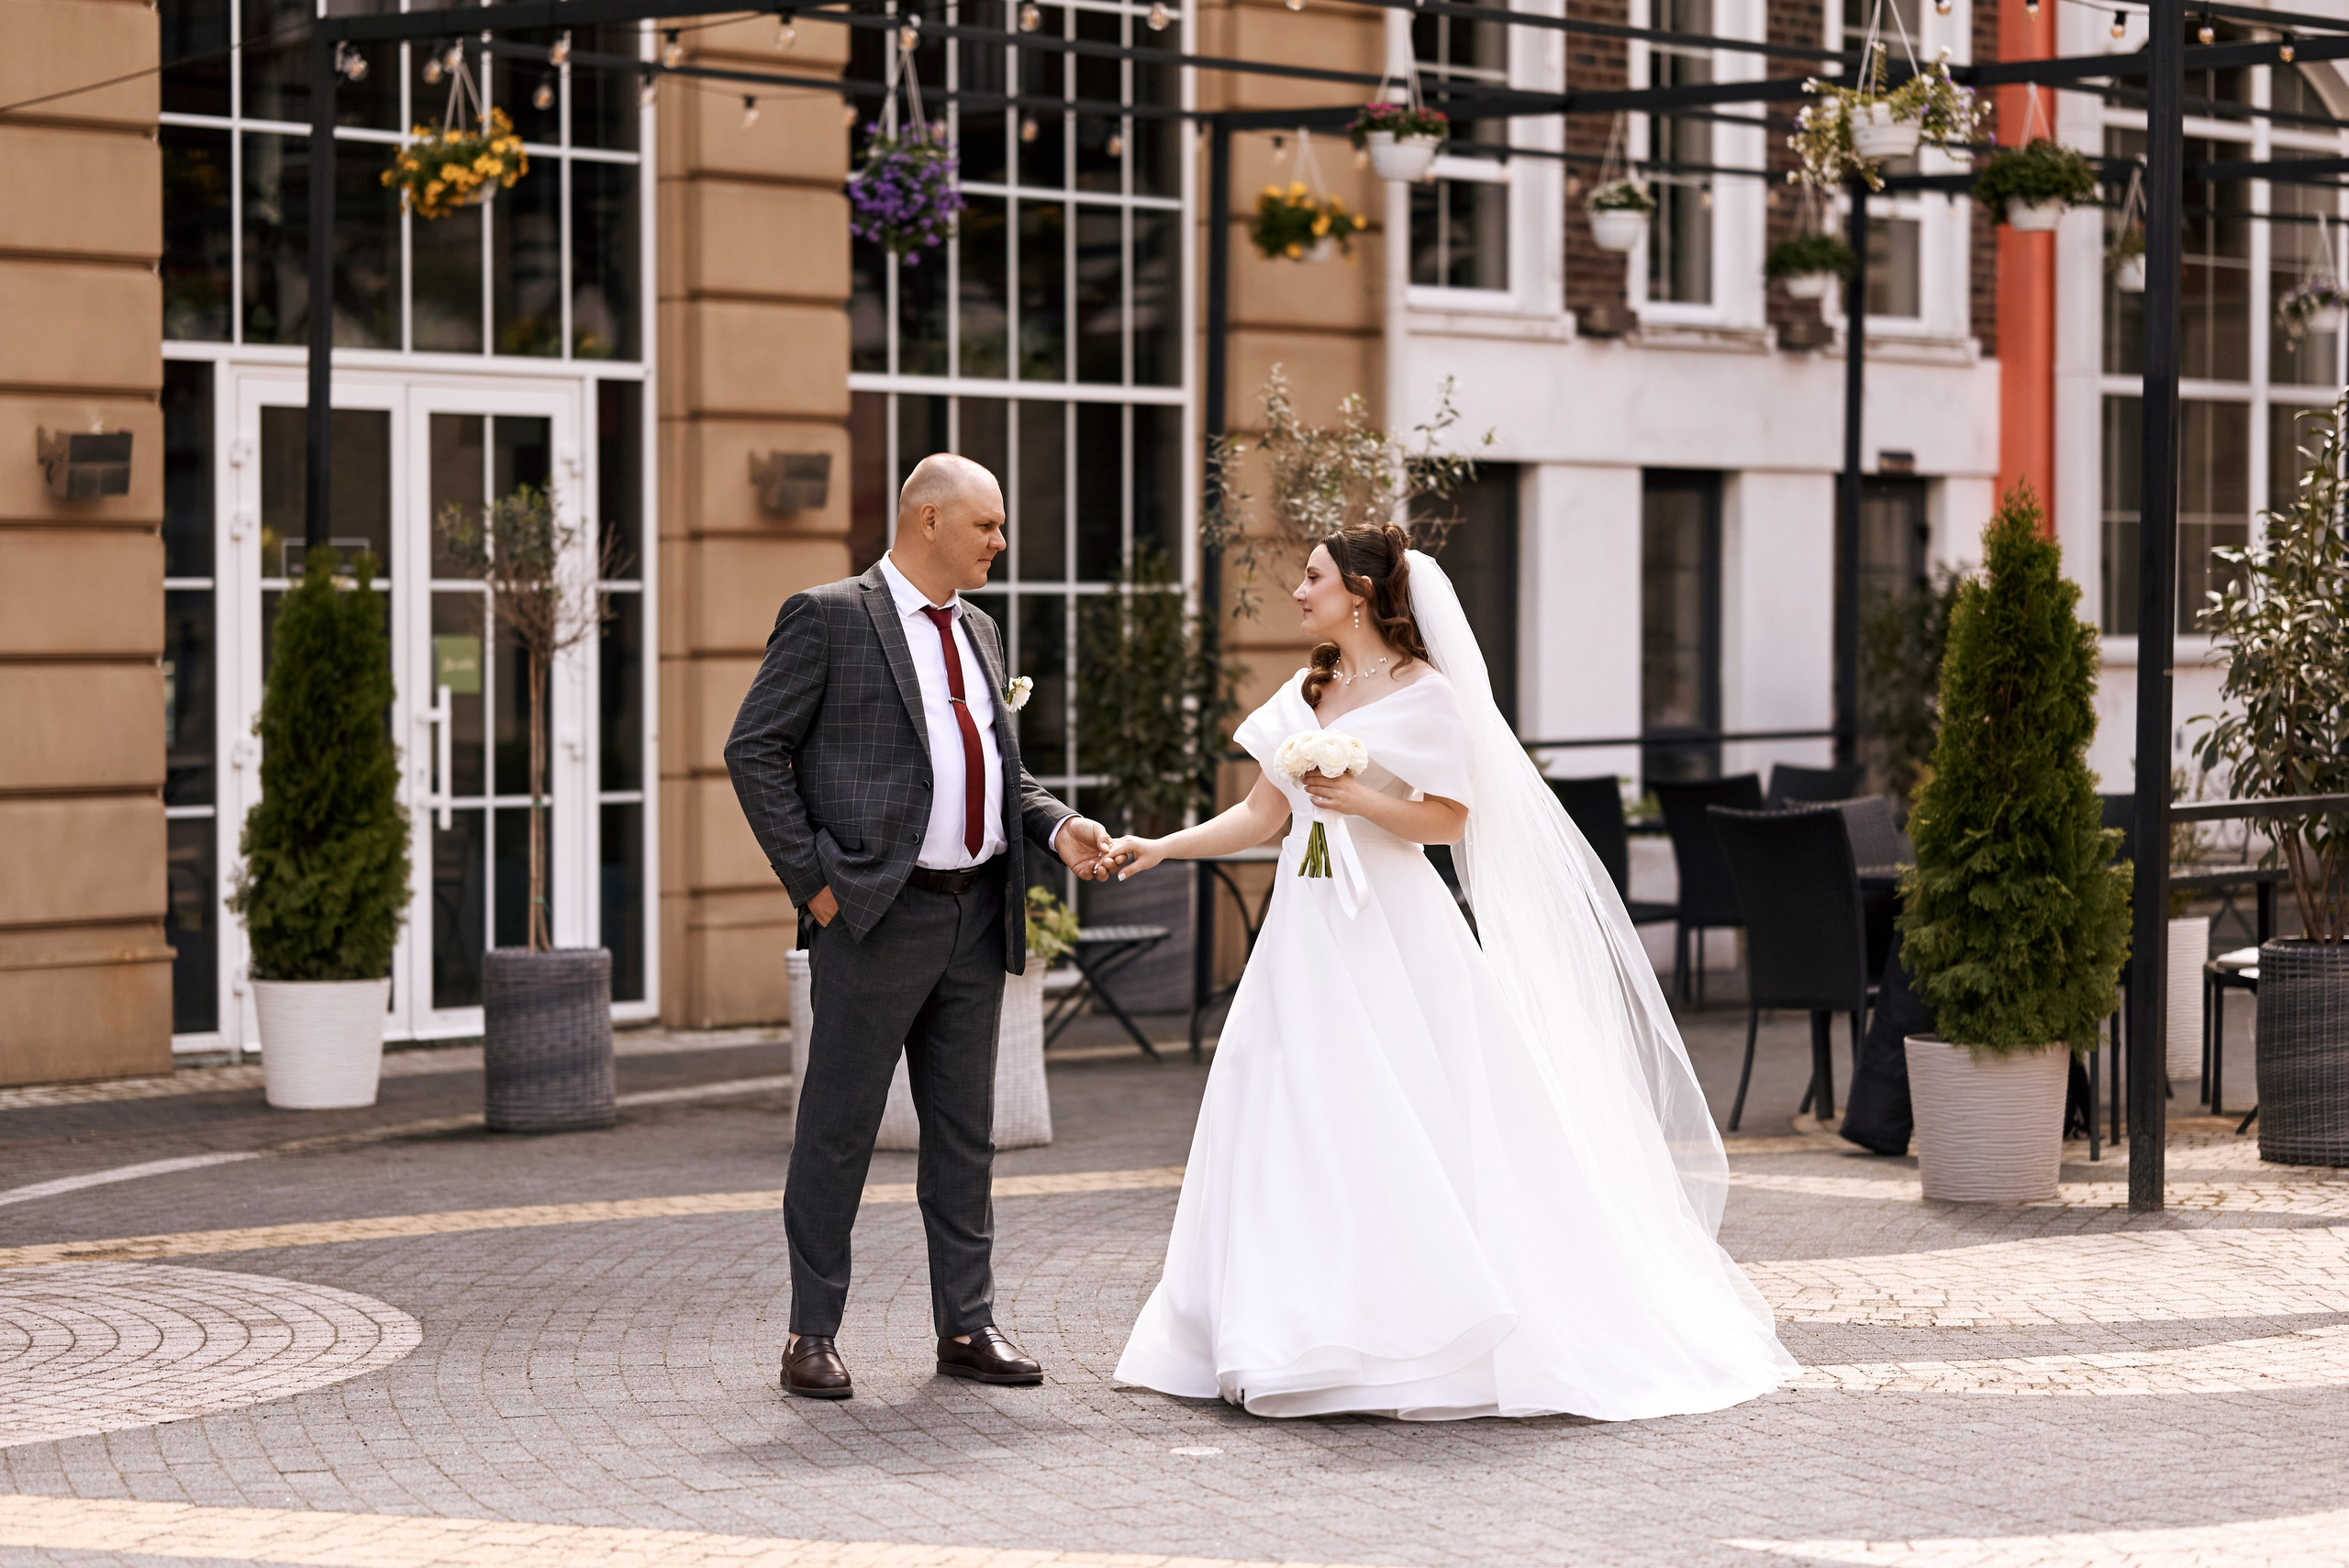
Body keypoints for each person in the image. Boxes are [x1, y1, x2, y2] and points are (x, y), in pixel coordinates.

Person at [1103, 523, 1798, 1420]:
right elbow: (1260, 813)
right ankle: (1277, 1326)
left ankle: (1412, 1329)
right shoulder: (1307, 686)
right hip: (1303, 933)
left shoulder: (1426, 695)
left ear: (1357, 589)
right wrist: (1157, 846)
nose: (1297, 590)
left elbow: (1446, 821)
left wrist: (1359, 796)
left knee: (1408, 1109)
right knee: (1284, 1103)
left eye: (1311, 576)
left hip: (1389, 930)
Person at [725, 453, 1119, 1401]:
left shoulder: (979, 627)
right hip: (873, 916)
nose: (1000, 541)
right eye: (987, 525)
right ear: (930, 519)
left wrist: (1059, 825)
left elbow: (997, 769)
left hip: (977, 915)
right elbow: (754, 748)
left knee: (962, 1134)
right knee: (837, 1131)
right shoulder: (829, 616)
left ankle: (966, 1324)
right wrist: (819, 888)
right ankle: (809, 1332)